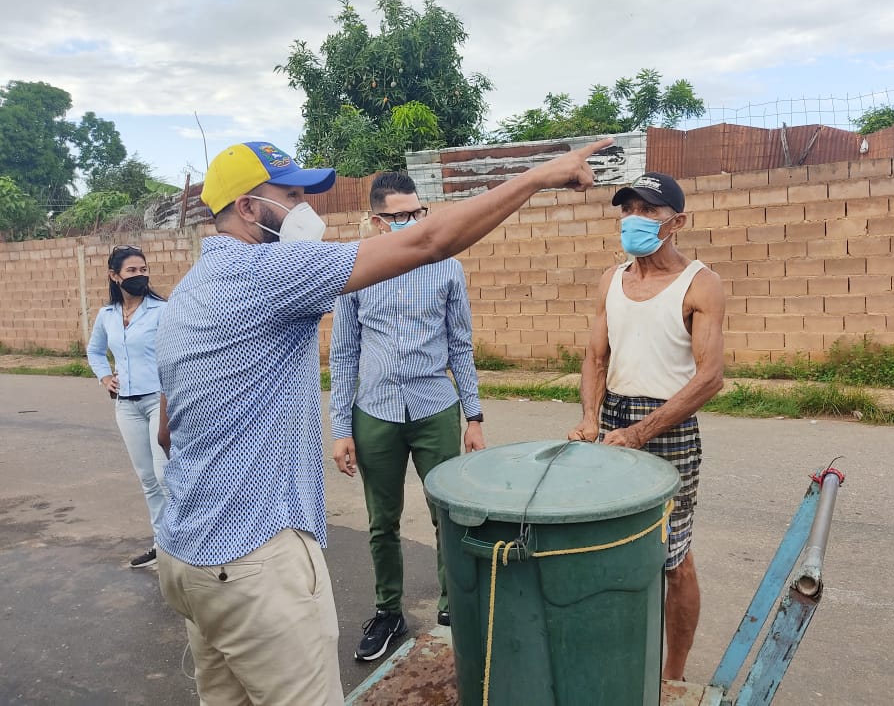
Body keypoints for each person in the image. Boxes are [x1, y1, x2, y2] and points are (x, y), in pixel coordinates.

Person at [155, 137, 612, 706]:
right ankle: (387, 611)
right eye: (291, 195)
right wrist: (539, 175)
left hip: (187, 557)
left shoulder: (185, 294)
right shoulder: (263, 270)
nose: (306, 210)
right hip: (255, 563)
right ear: (247, 208)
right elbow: (433, 239)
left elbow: (167, 433)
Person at [567, 172, 725, 682]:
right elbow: (595, 356)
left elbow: (710, 378)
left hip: (669, 428)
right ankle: (612, 655)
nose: (633, 219)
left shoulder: (699, 282)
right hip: (611, 418)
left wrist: (641, 433)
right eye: (627, 208)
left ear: (676, 222)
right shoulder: (611, 280)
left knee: (672, 555)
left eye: (648, 210)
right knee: (605, 544)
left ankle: (671, 677)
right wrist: (590, 418)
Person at [329, 172, 485, 663]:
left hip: (434, 407)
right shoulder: (354, 270)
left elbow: (460, 344)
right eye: (399, 216)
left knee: (448, 514)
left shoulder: (446, 268)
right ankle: (388, 611)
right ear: (378, 221)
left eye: (417, 213)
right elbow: (344, 355)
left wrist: (474, 417)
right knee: (382, 521)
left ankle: (452, 606)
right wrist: (339, 429)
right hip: (375, 411)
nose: (412, 222)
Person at [86, 245, 169, 569]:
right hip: (126, 406)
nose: (140, 276)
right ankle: (162, 544)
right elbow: (94, 352)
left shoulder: (162, 310)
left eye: (143, 270)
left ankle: (183, 543)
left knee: (165, 476)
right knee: (147, 478)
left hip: (157, 401)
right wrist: (105, 377)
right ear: (114, 276)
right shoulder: (106, 316)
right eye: (132, 271)